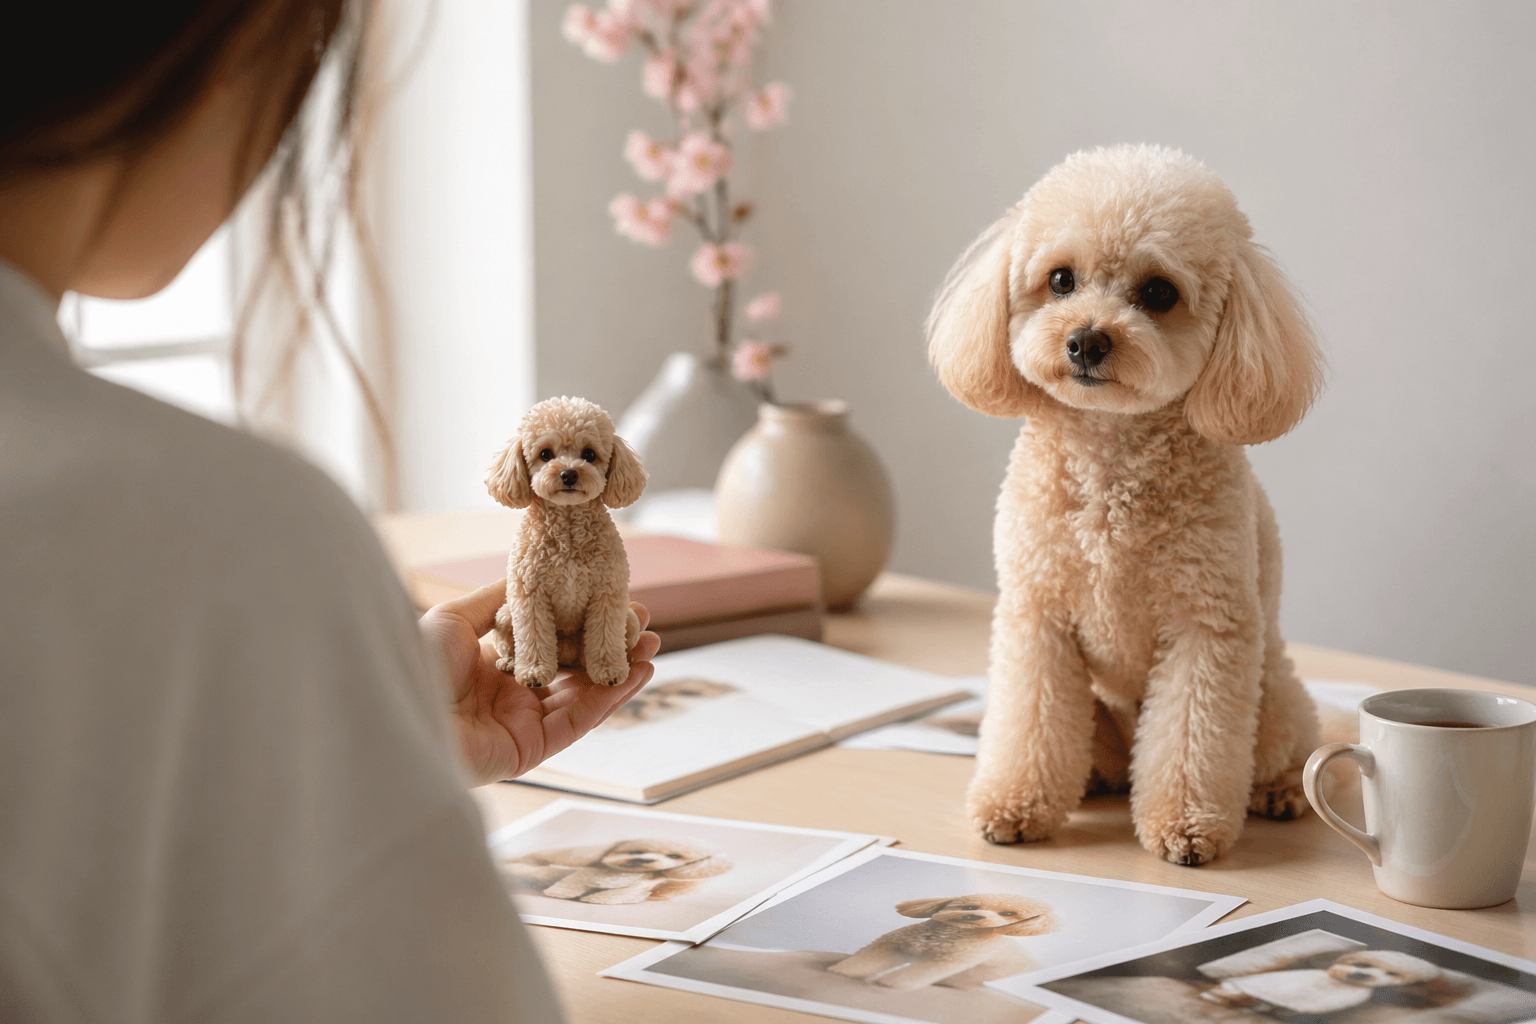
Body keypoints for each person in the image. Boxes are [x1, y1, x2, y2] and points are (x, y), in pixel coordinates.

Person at [0, 3, 656, 1020]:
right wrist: (345, 772)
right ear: (240, 39)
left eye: (584, 457)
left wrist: (345, 766)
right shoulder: (210, 529)